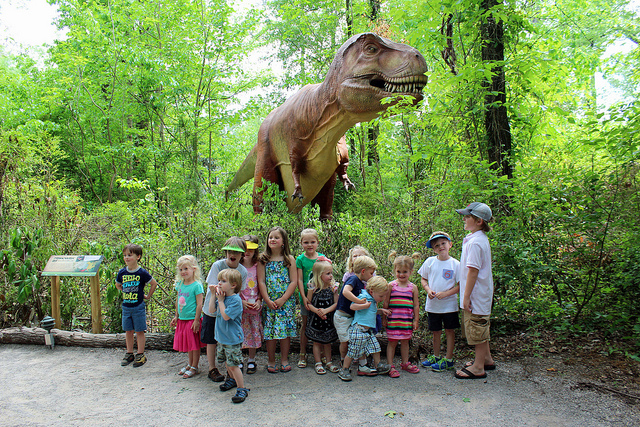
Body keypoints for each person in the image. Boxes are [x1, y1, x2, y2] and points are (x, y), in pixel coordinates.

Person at [454, 202, 496, 379]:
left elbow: (473, 271)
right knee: (481, 326)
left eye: (467, 216)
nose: (464, 219)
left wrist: (466, 297)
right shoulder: (477, 239)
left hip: (476, 295)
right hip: (481, 294)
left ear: (479, 221)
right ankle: (486, 358)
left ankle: (478, 367)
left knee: (477, 328)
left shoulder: (476, 243)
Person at [203, 237, 248, 382]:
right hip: (212, 307)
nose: (231, 255)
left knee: (228, 338)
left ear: (242, 255)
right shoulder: (218, 265)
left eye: (236, 252)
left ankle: (231, 371)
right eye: (229, 251)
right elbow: (212, 286)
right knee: (211, 339)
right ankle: (212, 368)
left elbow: (239, 291)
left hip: (228, 309)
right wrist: (218, 300)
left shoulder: (242, 271)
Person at [418, 231, 460, 372]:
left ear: (450, 244)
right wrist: (428, 290)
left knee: (449, 331)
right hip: (433, 305)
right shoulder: (430, 262)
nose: (441, 246)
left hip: (449, 305)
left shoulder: (456, 264)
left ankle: (448, 359)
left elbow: (460, 285)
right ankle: (436, 356)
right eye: (437, 245)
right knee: (436, 331)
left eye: (443, 243)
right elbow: (423, 279)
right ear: (433, 248)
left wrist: (447, 293)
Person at [257, 226, 298, 373]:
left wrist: (283, 299)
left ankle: (284, 359)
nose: (272, 240)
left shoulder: (289, 259)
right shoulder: (263, 259)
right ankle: (271, 360)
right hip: (269, 302)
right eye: (270, 237)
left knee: (284, 332)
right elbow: (261, 281)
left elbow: (293, 281)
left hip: (285, 303)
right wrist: (267, 300)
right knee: (270, 332)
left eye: (276, 237)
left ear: (283, 242)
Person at [338, 276, 391, 381]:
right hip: (358, 329)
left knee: (375, 348)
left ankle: (378, 365)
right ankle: (344, 369)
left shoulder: (373, 300)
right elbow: (353, 307)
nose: (383, 299)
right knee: (353, 351)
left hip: (368, 331)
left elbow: (371, 312)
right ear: (372, 291)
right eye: (381, 296)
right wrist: (363, 305)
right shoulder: (364, 297)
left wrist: (381, 310)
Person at [115, 243, 158, 367]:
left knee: (139, 331)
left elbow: (153, 283)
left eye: (130, 255)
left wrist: (148, 296)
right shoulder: (122, 272)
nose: (127, 258)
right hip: (126, 306)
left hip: (138, 306)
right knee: (128, 331)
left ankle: (140, 354)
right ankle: (129, 353)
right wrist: (123, 289)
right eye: (125, 255)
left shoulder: (142, 272)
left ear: (138, 256)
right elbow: (117, 284)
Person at [210, 268, 249, 403]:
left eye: (223, 281)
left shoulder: (235, 301)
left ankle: (242, 388)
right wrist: (213, 295)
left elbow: (226, 316)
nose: (219, 283)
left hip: (232, 338)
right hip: (221, 337)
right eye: (219, 280)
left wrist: (220, 301)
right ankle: (232, 380)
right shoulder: (222, 297)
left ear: (233, 285)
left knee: (234, 364)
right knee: (227, 362)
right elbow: (211, 310)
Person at [334, 255, 376, 369]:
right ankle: (343, 361)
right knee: (345, 341)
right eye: (371, 273)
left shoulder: (361, 283)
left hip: (351, 316)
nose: (372, 276)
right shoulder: (353, 279)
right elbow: (346, 292)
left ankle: (362, 364)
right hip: (342, 317)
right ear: (363, 271)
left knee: (357, 339)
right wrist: (359, 301)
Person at [384, 254, 421, 377]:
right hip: (393, 321)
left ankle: (405, 363)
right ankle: (390, 365)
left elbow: (416, 305)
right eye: (398, 271)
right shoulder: (391, 286)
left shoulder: (413, 288)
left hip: (406, 321)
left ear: (411, 271)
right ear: (395, 271)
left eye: (405, 272)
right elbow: (386, 303)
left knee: (405, 342)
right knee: (392, 342)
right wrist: (384, 318)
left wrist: (416, 320)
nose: (401, 274)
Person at [170, 255, 205, 378]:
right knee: (189, 345)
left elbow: (200, 304)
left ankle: (195, 366)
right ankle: (190, 364)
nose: (183, 272)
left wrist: (196, 320)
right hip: (182, 320)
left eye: (186, 268)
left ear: (193, 269)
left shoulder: (197, 285)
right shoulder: (180, 284)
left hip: (192, 320)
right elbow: (178, 300)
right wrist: (176, 316)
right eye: (180, 269)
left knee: (194, 345)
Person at [305, 257, 340, 374]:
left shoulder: (333, 287)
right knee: (316, 341)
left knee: (327, 341)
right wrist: (317, 311)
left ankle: (329, 361)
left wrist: (325, 311)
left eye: (331, 273)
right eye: (328, 273)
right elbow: (308, 303)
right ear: (319, 275)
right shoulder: (312, 286)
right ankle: (318, 362)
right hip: (316, 319)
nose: (331, 276)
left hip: (328, 318)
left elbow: (336, 303)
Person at [296, 228, 324, 368]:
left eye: (312, 242)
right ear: (301, 243)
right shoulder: (300, 259)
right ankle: (302, 353)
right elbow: (299, 280)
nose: (309, 245)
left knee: (321, 325)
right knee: (305, 325)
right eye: (306, 242)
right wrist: (303, 296)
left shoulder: (322, 258)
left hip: (321, 299)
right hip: (306, 299)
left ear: (317, 243)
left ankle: (323, 354)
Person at [240, 235, 262, 375]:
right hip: (240, 306)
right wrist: (240, 301)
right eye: (245, 249)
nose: (247, 252)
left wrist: (260, 299)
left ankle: (252, 359)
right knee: (240, 333)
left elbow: (262, 284)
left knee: (254, 332)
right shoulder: (237, 266)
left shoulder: (257, 266)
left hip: (255, 306)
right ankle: (240, 359)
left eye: (251, 249)